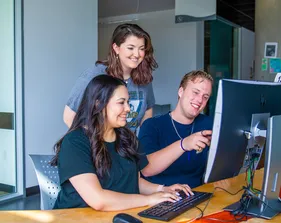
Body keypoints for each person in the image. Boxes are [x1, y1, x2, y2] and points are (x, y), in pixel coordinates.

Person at [52, 75, 193, 210]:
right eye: (121, 102)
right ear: (98, 104)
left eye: (128, 102)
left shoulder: (127, 138)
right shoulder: (75, 142)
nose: (128, 108)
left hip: (114, 216)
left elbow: (134, 182)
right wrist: (149, 200)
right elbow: (98, 200)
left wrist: (162, 190)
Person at [63, 23, 157, 133]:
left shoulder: (143, 77)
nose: (136, 54)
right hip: (98, 147)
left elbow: (147, 112)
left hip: (127, 147)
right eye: (130, 48)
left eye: (141, 48)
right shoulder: (94, 74)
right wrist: (95, 145)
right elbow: (69, 116)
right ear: (116, 48)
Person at [139, 70, 213, 189]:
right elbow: (146, 170)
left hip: (198, 195)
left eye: (205, 97)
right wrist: (184, 144)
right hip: (160, 197)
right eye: (195, 92)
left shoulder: (209, 124)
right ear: (180, 91)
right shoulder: (152, 125)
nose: (200, 100)